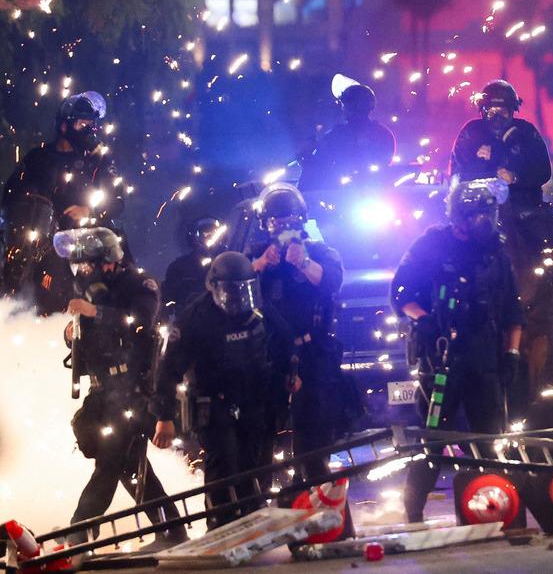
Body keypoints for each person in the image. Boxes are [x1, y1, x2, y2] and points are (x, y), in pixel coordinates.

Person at [390, 178, 524, 521]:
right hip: (442, 357)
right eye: (478, 214)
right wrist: (423, 320)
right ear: (460, 217)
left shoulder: (497, 252)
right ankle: (413, 513)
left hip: (485, 356)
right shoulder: (432, 245)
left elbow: (513, 310)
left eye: (489, 214)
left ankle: (495, 507)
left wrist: (512, 354)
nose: (485, 221)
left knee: (490, 440)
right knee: (433, 439)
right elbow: (400, 293)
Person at [52, 227, 184, 549]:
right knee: (130, 465)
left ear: (108, 262)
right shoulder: (90, 291)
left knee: (110, 461)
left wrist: (95, 312)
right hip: (103, 392)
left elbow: (140, 321)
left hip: (134, 391)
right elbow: (92, 338)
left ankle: (79, 533)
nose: (84, 272)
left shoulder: (140, 284)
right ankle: (171, 529)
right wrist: (72, 333)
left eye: (88, 265)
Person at [151, 252, 300, 527]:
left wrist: (292, 371)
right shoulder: (194, 318)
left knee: (254, 466)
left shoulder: (260, 309)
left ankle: (254, 520)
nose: (239, 299)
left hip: (255, 400)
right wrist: (164, 416)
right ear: (214, 286)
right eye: (232, 291)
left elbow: (285, 339)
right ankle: (219, 524)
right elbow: (168, 369)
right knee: (222, 469)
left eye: (244, 290)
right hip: (214, 403)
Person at [245, 184, 349, 505]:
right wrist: (260, 265)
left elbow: (332, 282)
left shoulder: (319, 251)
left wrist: (302, 262)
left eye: (288, 221)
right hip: (269, 354)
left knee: (314, 435)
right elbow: (230, 283)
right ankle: (259, 505)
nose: (282, 228)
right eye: (276, 222)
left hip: (312, 352)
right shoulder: (255, 254)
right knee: (260, 434)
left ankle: (313, 501)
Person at [2, 92, 126, 311]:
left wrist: (89, 211)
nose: (86, 130)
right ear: (64, 126)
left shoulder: (98, 162)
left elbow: (117, 201)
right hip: (35, 239)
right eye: (81, 124)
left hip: (81, 239)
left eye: (90, 125)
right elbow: (12, 194)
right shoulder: (39, 157)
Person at [450, 80, 551, 211]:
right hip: (478, 209)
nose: (497, 117)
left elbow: (543, 171)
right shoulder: (471, 132)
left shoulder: (526, 131)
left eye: (503, 112)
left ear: (512, 111)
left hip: (524, 210)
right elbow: (458, 174)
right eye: (491, 112)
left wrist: (515, 177)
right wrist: (482, 164)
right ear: (483, 111)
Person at [299, 80, 397, 192]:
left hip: (345, 193)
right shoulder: (383, 133)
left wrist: (307, 159)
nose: (342, 109)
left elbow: (320, 162)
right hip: (375, 190)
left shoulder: (337, 134)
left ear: (349, 107)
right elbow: (386, 162)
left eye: (343, 105)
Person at [161, 216, 225, 319]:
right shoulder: (179, 267)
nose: (210, 238)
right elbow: (166, 301)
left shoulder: (228, 262)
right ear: (194, 238)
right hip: (190, 323)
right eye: (205, 234)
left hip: (223, 321)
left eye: (213, 233)